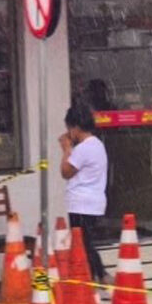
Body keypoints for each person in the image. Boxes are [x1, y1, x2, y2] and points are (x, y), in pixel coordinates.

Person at [59, 103, 109, 290]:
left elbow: (66, 171)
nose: (69, 133)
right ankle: (97, 276)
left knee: (83, 243)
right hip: (94, 202)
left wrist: (66, 149)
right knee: (87, 242)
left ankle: (99, 276)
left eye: (69, 128)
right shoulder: (98, 145)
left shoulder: (82, 149)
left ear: (76, 127)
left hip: (80, 203)